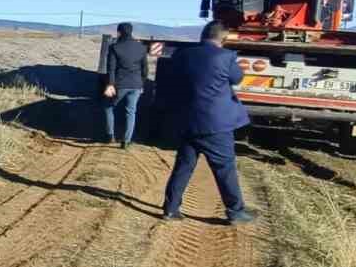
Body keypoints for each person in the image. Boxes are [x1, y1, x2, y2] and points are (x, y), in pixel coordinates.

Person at [158, 21, 259, 224]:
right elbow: (237, 78)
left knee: (184, 166)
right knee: (224, 168)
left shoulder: (182, 55)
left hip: (187, 120)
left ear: (203, 35)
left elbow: (170, 81)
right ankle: (236, 211)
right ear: (223, 39)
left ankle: (171, 208)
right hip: (215, 125)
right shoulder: (226, 57)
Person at [101, 22, 149, 148]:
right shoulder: (141, 48)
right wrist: (142, 84)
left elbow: (111, 68)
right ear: (131, 32)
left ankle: (110, 135)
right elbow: (145, 70)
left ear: (119, 32)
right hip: (136, 85)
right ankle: (126, 141)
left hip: (120, 84)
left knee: (108, 107)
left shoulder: (115, 47)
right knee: (131, 112)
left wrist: (110, 85)